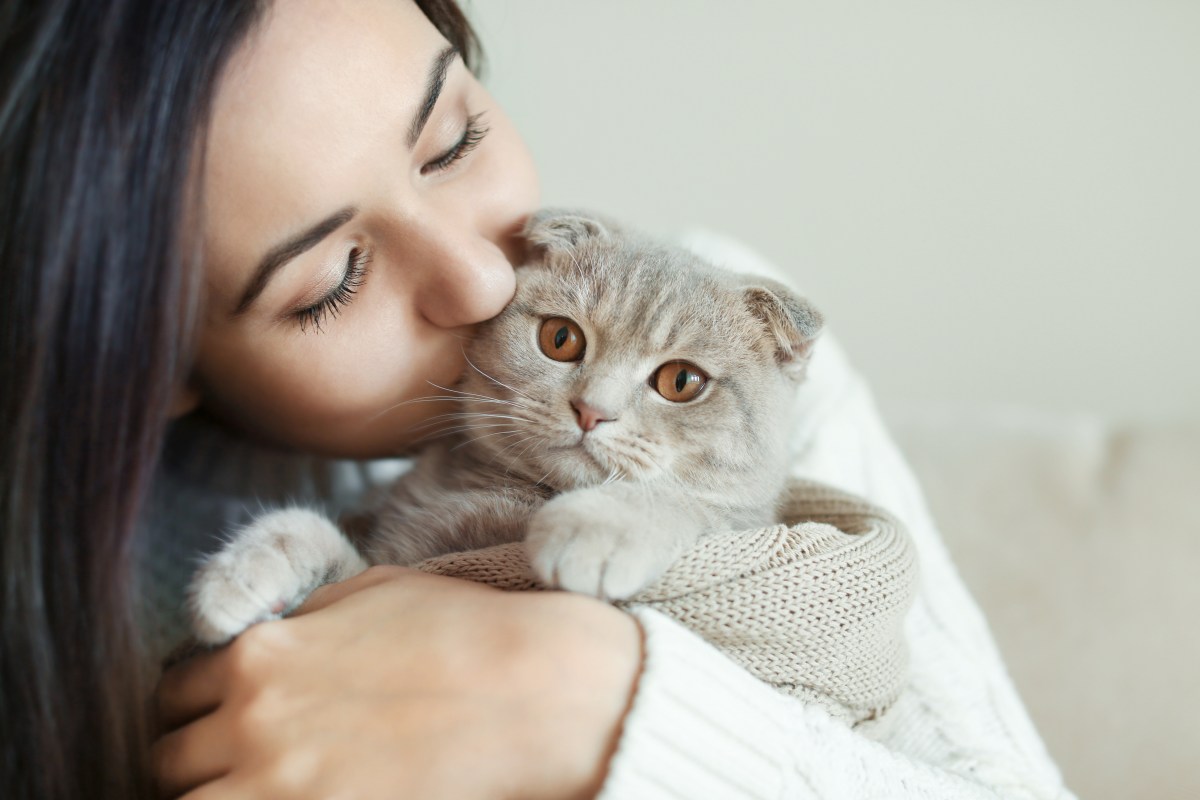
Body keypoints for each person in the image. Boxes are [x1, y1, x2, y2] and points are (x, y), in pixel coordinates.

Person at [0, 1, 1076, 798]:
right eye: (332, 278)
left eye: (452, 141)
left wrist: (587, 697)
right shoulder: (73, 596)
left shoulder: (722, 331)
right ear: (157, 365)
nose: (480, 281)